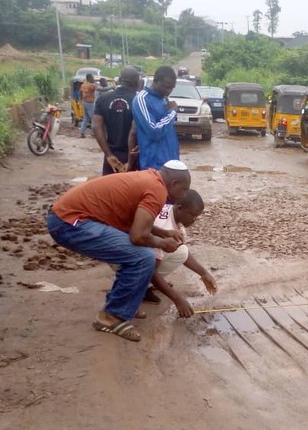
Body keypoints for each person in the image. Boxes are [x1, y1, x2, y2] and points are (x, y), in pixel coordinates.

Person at [46, 161, 191, 342]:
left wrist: (163, 232)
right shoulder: (157, 190)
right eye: (184, 190)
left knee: (138, 254)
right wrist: (163, 243)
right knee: (143, 257)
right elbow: (138, 236)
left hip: (66, 216)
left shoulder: (150, 178)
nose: (184, 195)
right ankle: (111, 317)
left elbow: (136, 220)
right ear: (175, 183)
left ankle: (122, 305)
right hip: (69, 222)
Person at [141, 189, 218, 317]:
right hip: (128, 257)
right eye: (192, 215)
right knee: (150, 267)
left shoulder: (174, 216)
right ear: (179, 208)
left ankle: (147, 284)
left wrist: (204, 273)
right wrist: (177, 299)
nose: (194, 220)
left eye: (197, 217)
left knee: (181, 251)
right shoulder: (164, 228)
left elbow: (182, 252)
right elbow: (151, 271)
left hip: (144, 253)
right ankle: (140, 286)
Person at [93, 67, 141, 175]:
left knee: (110, 190)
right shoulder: (139, 102)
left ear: (119, 80)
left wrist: (109, 155)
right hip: (133, 159)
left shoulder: (103, 99)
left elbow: (96, 127)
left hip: (111, 159)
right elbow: (134, 133)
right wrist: (130, 160)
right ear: (137, 82)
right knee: (131, 191)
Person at [130, 66, 179, 170]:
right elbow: (154, 131)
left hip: (171, 162)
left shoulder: (164, 100)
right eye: (166, 87)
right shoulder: (141, 100)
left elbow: (167, 129)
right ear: (155, 81)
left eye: (172, 88)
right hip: (154, 166)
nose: (169, 91)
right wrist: (172, 112)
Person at [79, 73, 98, 138]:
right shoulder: (91, 85)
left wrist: (81, 100)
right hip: (90, 103)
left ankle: (82, 132)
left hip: (84, 102)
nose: (93, 79)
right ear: (89, 78)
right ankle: (94, 133)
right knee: (93, 118)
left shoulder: (83, 85)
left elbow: (80, 93)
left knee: (86, 118)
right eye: (92, 78)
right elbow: (100, 89)